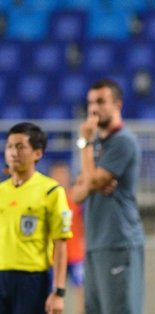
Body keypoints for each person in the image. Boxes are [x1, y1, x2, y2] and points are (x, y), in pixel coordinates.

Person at [72, 79, 145, 314]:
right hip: (94, 242)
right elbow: (77, 192)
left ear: (118, 104)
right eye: (90, 102)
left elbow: (90, 182)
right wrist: (91, 182)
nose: (93, 109)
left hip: (117, 240)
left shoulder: (122, 141)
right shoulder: (96, 145)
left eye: (101, 102)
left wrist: (85, 144)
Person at [0, 122, 73, 314]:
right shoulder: (1, 191)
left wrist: (58, 291)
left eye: (20, 146)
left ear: (37, 153)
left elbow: (61, 244)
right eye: (9, 146)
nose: (13, 152)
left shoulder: (51, 191)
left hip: (32, 279)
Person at [49, 162, 85, 314]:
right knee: (53, 291)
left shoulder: (75, 198)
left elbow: (84, 223)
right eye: (56, 175)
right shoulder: (48, 199)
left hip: (75, 254)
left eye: (62, 174)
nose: (59, 178)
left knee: (81, 289)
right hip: (54, 256)